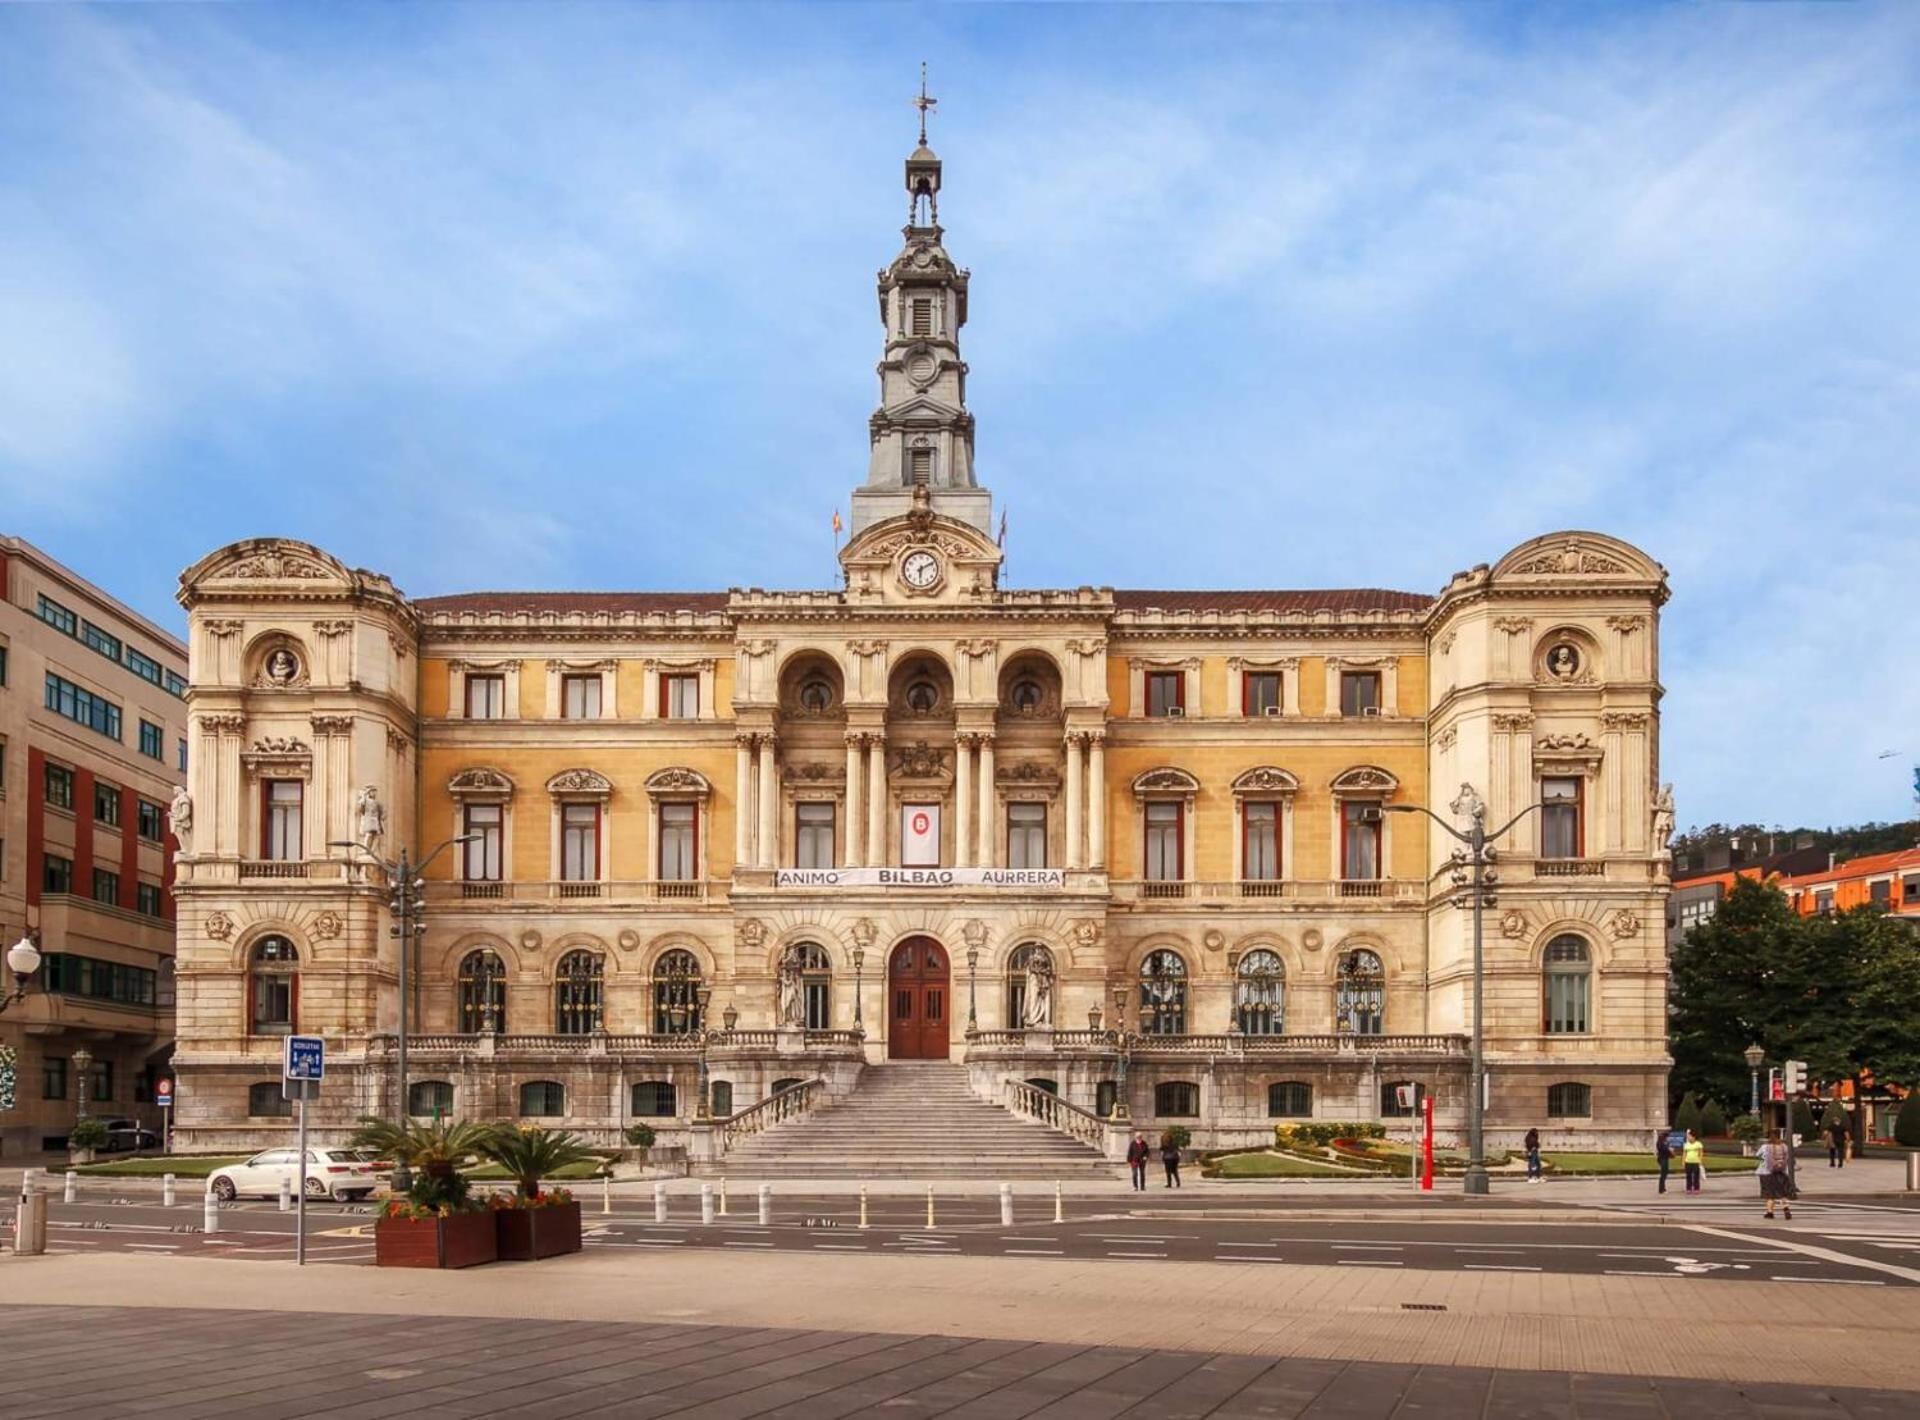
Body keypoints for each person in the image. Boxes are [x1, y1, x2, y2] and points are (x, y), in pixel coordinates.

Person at [1759, 1128, 1795, 1219]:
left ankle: (1770, 1212)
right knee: (1782, 1192)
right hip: (1781, 1171)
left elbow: (1759, 1155)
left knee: (1769, 1193)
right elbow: (1787, 1158)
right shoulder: (1784, 1146)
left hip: (1766, 1172)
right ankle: (1786, 1208)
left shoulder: (1765, 1146)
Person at [1682, 1129, 1706, 1194]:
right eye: (1688, 1136)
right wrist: (1683, 1162)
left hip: (1696, 1162)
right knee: (1688, 1176)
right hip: (1688, 1161)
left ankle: (1696, 1188)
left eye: (1689, 1136)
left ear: (1693, 1137)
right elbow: (1684, 1153)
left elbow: (1701, 1153)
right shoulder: (1686, 1144)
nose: (1688, 1137)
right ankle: (1688, 1188)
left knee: (1696, 1176)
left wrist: (1700, 1160)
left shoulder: (1698, 1144)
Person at [1655, 1129, 1673, 1194]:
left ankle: (1662, 1188)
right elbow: (1665, 1150)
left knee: (1664, 1174)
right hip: (1663, 1159)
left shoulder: (1662, 1142)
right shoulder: (1661, 1143)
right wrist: (1670, 1152)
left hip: (1663, 1158)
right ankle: (1661, 1189)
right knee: (1663, 1174)